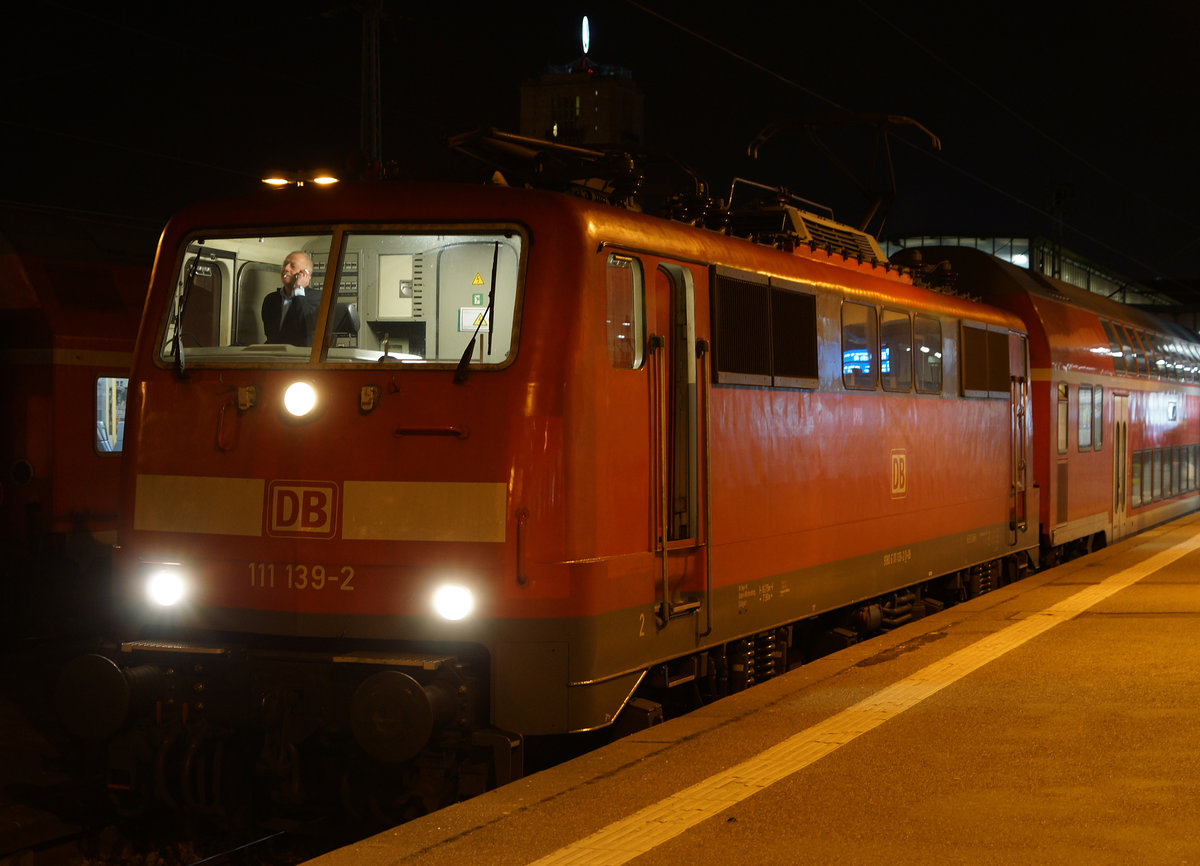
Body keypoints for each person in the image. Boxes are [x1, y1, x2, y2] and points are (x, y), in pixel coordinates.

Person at [261, 251, 321, 346]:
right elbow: (270, 335)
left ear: (305, 273)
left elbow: (306, 329)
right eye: (285, 264)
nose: (286, 268)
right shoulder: (270, 299)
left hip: (301, 356)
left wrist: (298, 290)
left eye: (292, 266)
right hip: (274, 355)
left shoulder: (318, 298)